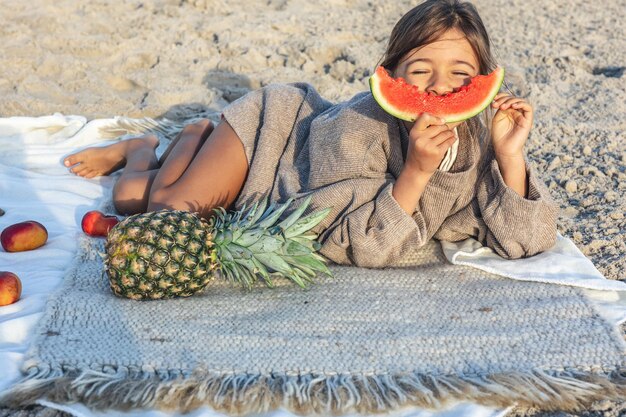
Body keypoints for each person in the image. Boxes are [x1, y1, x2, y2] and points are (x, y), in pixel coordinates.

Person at [63, 0, 558, 268]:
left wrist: (511, 158)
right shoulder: (358, 126)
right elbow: (350, 242)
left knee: (129, 197)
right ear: (390, 74)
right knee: (167, 214)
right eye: (420, 71)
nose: (439, 88)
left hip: (257, 189)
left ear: (484, 81)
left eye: (460, 76)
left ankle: (142, 153)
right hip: (269, 138)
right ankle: (187, 134)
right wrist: (415, 172)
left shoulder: (480, 139)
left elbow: (526, 241)